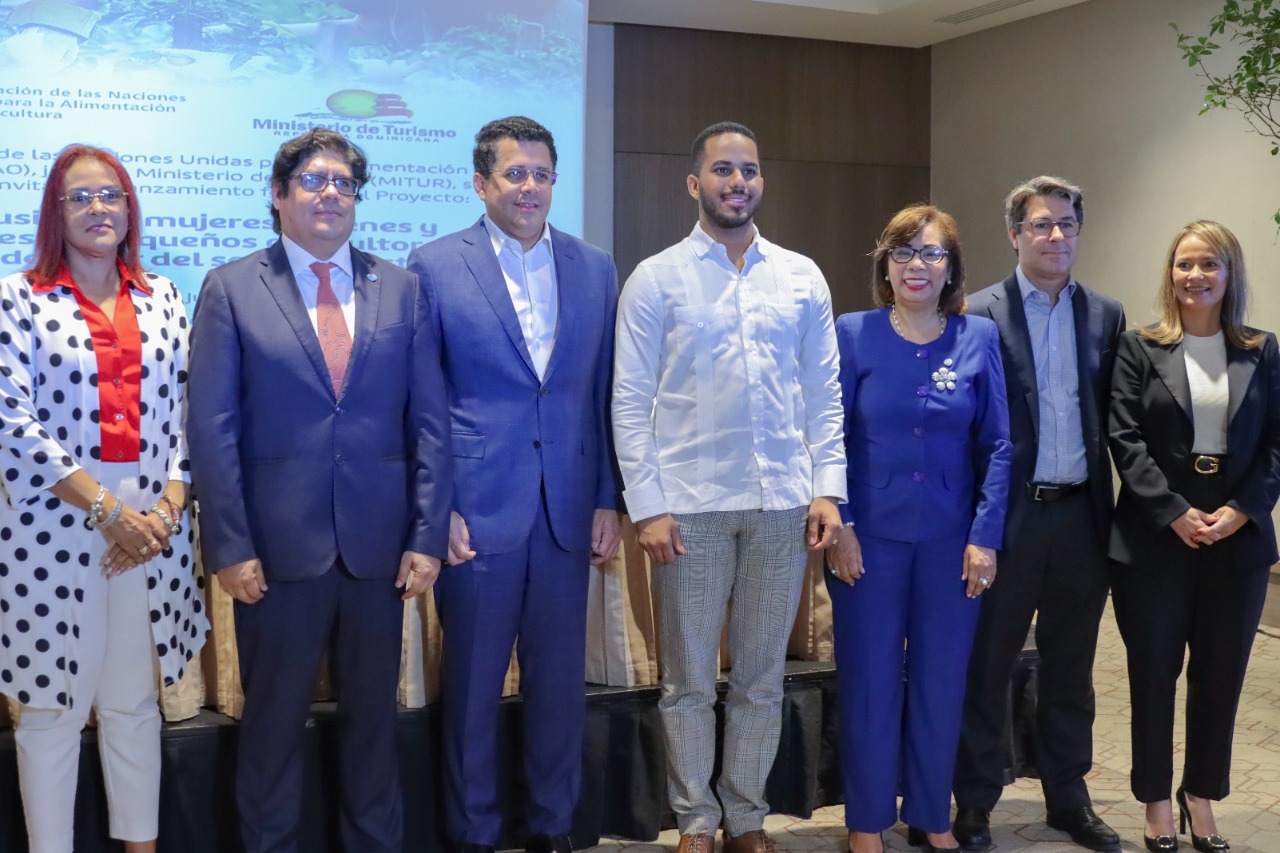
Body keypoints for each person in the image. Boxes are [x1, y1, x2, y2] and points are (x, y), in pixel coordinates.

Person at [186, 127, 452, 853]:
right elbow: (212, 428)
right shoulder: (232, 287)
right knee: (272, 730)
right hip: (273, 556)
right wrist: (229, 546)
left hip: (378, 554)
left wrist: (427, 535)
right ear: (279, 196)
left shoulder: (401, 288)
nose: (331, 193)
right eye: (313, 180)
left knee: (374, 728)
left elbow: (429, 423)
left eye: (343, 183)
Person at [612, 121, 846, 853]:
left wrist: (828, 489)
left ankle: (746, 815)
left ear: (760, 182)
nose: (736, 182)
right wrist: (648, 506)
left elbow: (824, 394)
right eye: (722, 170)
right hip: (690, 509)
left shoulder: (801, 276)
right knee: (687, 680)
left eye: (748, 169)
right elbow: (629, 401)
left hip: (782, 505)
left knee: (762, 677)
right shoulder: (655, 278)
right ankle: (695, 819)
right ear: (695, 183)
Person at [406, 115, 621, 853]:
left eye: (541, 174)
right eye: (514, 173)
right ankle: (473, 833)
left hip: (567, 509)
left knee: (559, 687)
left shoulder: (595, 267)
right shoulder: (434, 265)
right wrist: (438, 510)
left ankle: (553, 827)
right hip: (475, 513)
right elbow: (424, 400)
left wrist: (607, 496)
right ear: (481, 183)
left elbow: (602, 394)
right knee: (472, 688)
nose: (530, 187)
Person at [0, 143, 209, 853]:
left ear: (129, 209)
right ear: (55, 212)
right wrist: (109, 514)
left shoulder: (164, 295)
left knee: (133, 702)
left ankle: (140, 846)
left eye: (111, 194)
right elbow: (11, 421)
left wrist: (166, 511)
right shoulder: (18, 297)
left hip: (153, 526)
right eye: (80, 196)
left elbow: (191, 412)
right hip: (54, 517)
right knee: (50, 711)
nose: (98, 208)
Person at [828, 204, 1010, 853]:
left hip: (951, 542)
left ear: (951, 268)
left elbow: (998, 445)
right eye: (903, 252)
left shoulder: (978, 337)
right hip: (867, 540)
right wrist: (841, 525)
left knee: (941, 681)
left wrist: (984, 535)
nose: (917, 265)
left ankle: (932, 812)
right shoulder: (853, 332)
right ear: (885, 264)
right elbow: (828, 436)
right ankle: (867, 820)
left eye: (932, 253)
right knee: (870, 682)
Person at [954, 176, 1126, 853]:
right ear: (1014, 234)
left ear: (1079, 232)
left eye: (1066, 224)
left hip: (1081, 518)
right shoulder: (977, 313)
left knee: (1071, 669)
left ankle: (1068, 797)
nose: (1055, 235)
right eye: (1041, 224)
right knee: (988, 666)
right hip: (1007, 522)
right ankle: (974, 801)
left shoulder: (1105, 314)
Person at [1109, 220, 1280, 853]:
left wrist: (1242, 510)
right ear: (1170, 273)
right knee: (1153, 674)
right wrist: (1172, 510)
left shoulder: (1262, 349)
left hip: (1237, 541)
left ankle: (1200, 796)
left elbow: (1276, 444)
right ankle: (1156, 800)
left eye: (1210, 264)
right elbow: (1124, 437)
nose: (1195, 275)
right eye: (1184, 264)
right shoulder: (1139, 346)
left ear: (1230, 274)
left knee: (1221, 675)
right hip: (1154, 540)